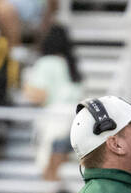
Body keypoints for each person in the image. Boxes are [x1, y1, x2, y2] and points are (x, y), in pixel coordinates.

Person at [22, 24, 84, 182]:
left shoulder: (46, 62)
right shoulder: (71, 65)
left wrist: (25, 86)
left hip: (54, 120)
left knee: (49, 169)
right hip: (75, 120)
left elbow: (39, 95)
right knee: (59, 165)